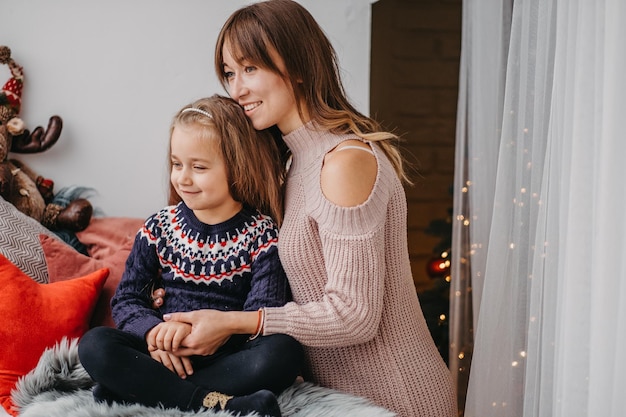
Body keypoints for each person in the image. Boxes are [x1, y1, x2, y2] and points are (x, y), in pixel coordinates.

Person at [155, 1, 458, 416]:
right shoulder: (294, 164)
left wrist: (237, 323)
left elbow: (354, 315)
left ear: (297, 65)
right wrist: (178, 295)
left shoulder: (345, 160)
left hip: (393, 399)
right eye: (229, 73)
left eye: (250, 68)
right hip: (336, 402)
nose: (237, 88)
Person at [78, 95, 303, 417]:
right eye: (176, 164)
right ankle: (216, 403)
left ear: (238, 168)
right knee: (95, 344)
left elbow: (262, 310)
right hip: (161, 352)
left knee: (283, 352)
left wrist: (219, 332)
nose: (183, 178)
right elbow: (128, 299)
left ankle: (141, 389)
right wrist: (155, 336)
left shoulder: (262, 235)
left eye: (198, 167)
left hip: (226, 355)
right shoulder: (159, 227)